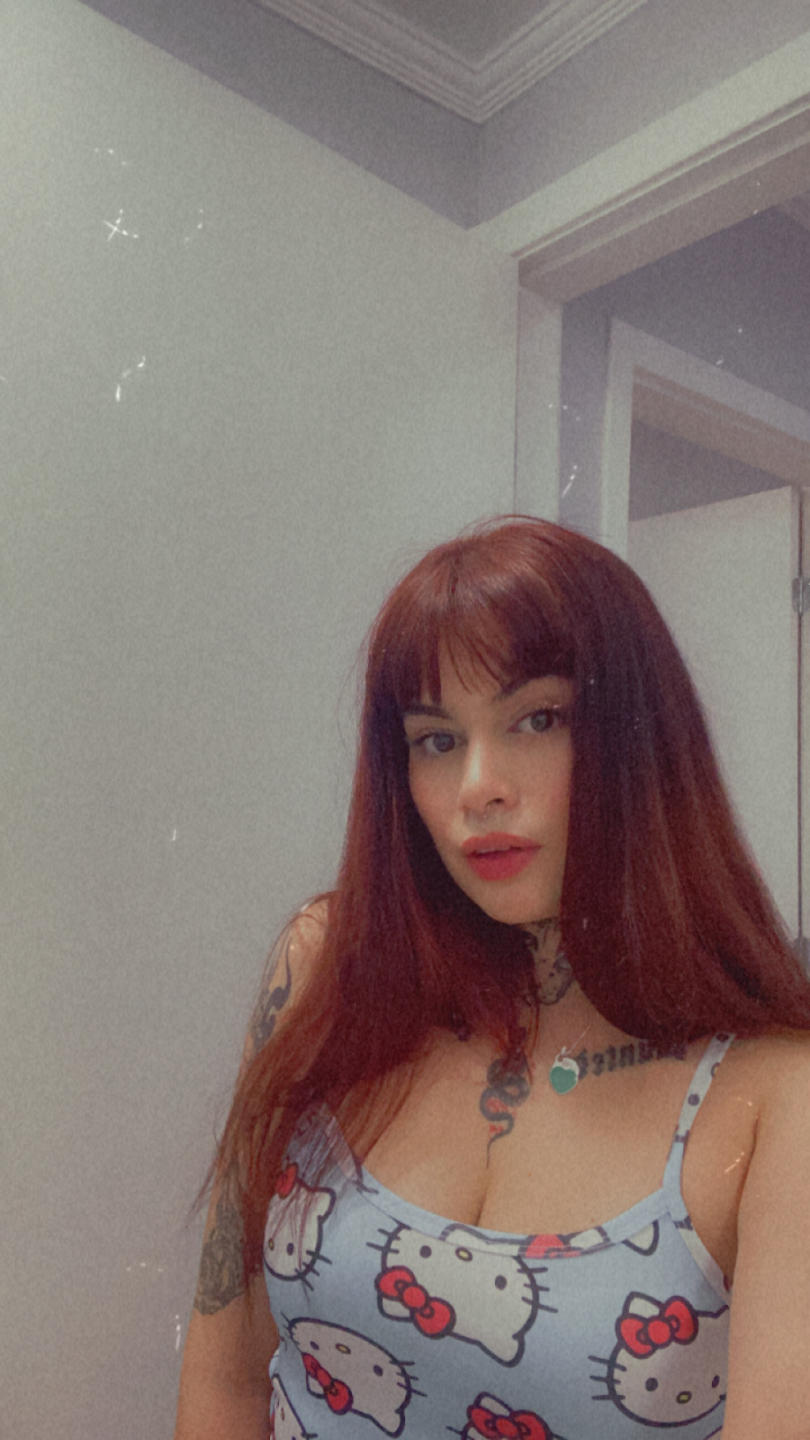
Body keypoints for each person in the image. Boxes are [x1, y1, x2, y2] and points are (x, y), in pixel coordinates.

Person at [174, 515, 810, 1440]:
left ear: (643, 739)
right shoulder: (326, 969)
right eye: (435, 740)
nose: (479, 786)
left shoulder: (774, 1096)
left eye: (538, 719)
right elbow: (228, 1382)